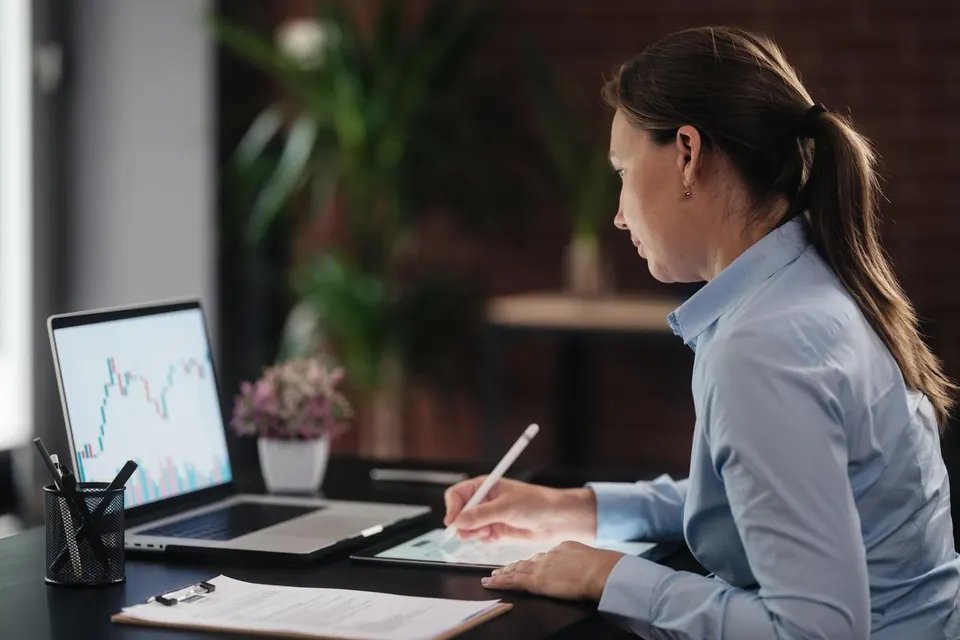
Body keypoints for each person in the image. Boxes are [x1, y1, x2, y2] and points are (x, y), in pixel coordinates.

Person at [443, 26, 960, 639]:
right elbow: (782, 494)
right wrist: (576, 509)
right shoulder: (809, 287)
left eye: (621, 171)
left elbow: (816, 631)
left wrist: (609, 578)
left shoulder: (763, 346)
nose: (616, 212)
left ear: (687, 153)